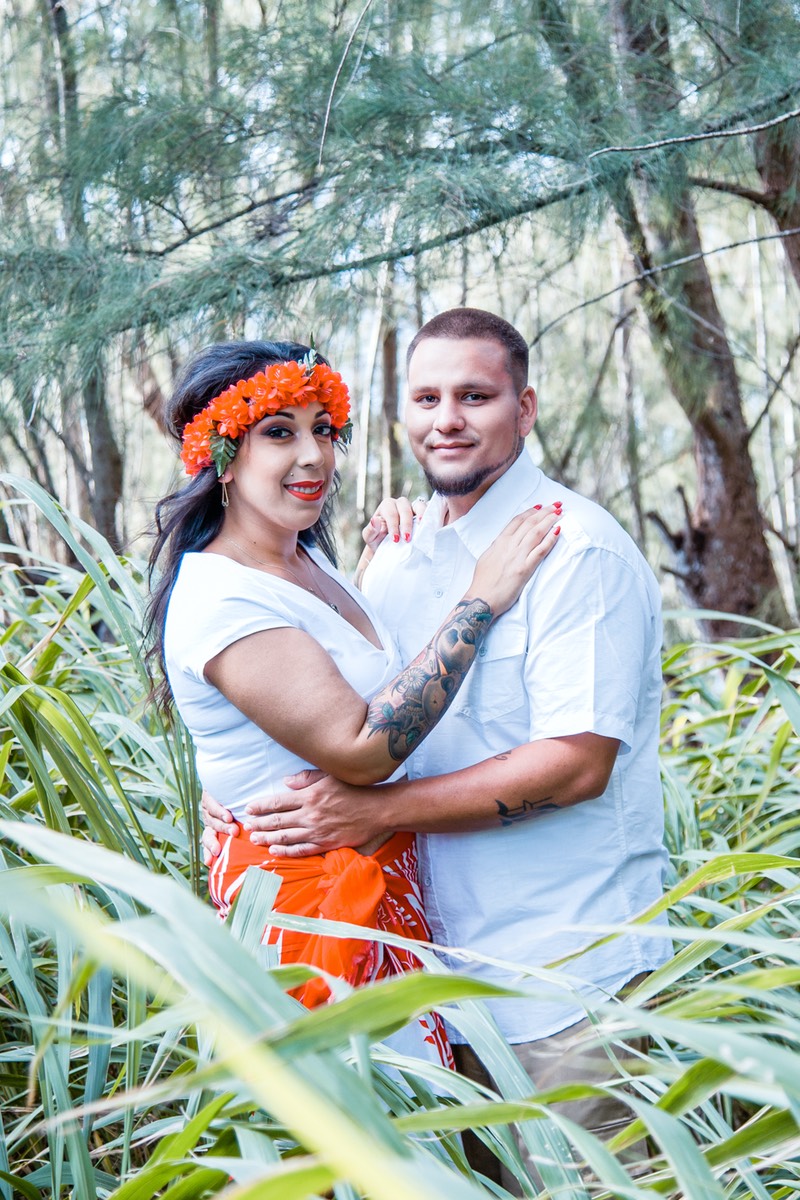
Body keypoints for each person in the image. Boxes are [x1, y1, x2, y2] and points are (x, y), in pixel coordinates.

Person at [202, 310, 671, 1182]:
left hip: (562, 983)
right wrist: (238, 786)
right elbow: (352, 706)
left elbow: (577, 765)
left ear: (525, 409)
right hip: (430, 992)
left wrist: (370, 813)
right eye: (426, 398)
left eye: (475, 397)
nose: (446, 419)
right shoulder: (398, 553)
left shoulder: (577, 553)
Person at [145, 337, 561, 1067]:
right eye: (280, 433)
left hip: (383, 902)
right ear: (222, 456)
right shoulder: (221, 596)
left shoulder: (305, 559)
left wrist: (388, 553)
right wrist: (481, 598)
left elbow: (340, 668)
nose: (314, 457)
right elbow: (362, 749)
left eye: (323, 430)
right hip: (311, 922)